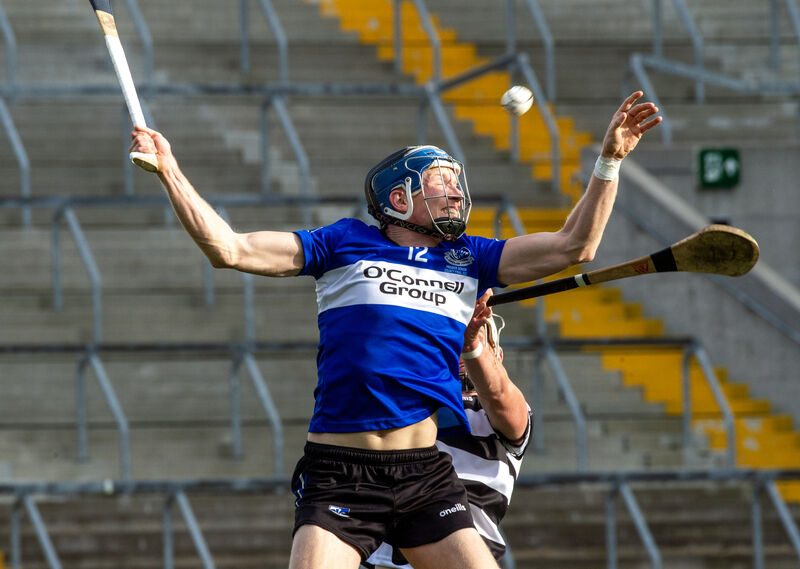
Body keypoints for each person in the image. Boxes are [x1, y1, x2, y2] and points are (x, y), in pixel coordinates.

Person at [129, 90, 660, 569]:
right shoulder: (342, 243)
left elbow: (575, 248)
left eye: (457, 181)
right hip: (340, 471)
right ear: (399, 198)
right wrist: (171, 170)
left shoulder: (472, 257)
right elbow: (230, 249)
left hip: (424, 474)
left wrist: (609, 161)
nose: (456, 192)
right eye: (441, 181)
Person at [365, 289, 531, 569]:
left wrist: (471, 343)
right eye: (449, 339)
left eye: (481, 339)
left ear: (498, 355)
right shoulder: (403, 399)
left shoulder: (509, 412)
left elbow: (499, 394)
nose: (461, 350)